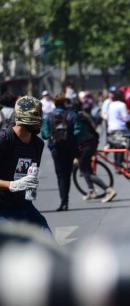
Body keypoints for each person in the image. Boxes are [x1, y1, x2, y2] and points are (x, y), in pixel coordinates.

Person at [0, 96, 50, 231]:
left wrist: (30, 185)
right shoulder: (4, 139)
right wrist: (12, 185)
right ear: (22, 116)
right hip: (3, 210)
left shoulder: (37, 144)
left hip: (25, 207)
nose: (39, 120)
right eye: (35, 114)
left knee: (47, 244)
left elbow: (31, 174)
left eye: (40, 114)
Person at [41, 94, 78, 212]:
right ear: (64, 103)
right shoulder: (71, 114)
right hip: (70, 148)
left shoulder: (49, 117)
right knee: (67, 175)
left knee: (60, 174)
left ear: (55, 103)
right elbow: (78, 130)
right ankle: (65, 201)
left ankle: (63, 200)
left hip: (56, 149)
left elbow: (45, 134)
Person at [74, 104, 117, 202]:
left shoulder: (73, 118)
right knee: (86, 168)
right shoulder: (83, 115)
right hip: (92, 142)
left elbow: (75, 133)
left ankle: (108, 190)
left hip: (84, 146)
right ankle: (91, 190)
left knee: (85, 171)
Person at [105, 90, 130, 168]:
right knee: (121, 147)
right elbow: (126, 118)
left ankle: (117, 162)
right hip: (120, 128)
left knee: (117, 147)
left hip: (111, 128)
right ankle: (119, 164)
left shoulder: (111, 104)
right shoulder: (122, 105)